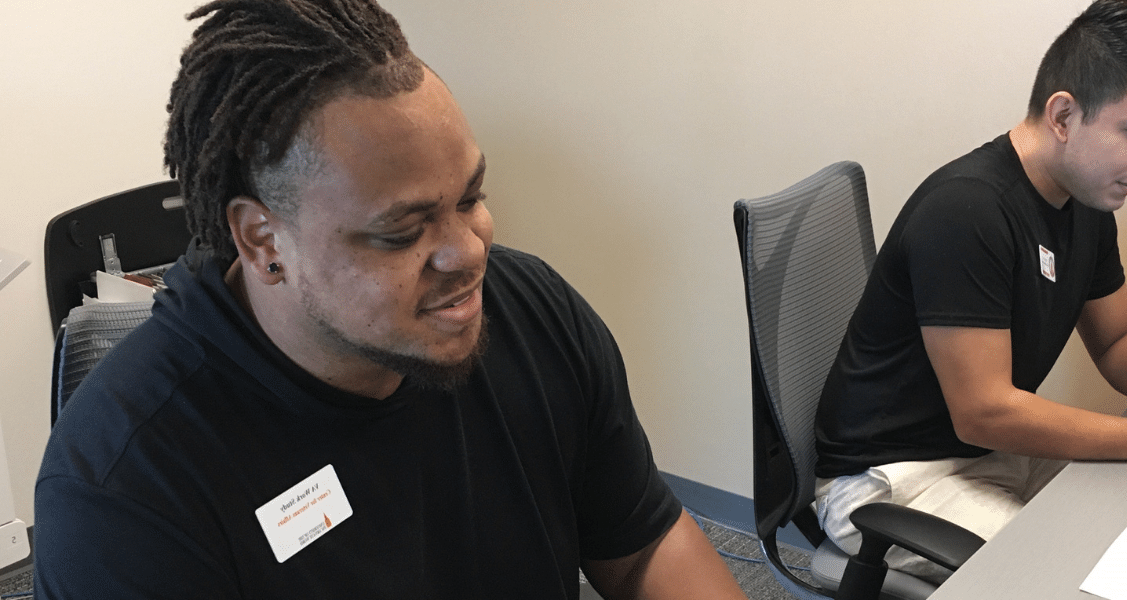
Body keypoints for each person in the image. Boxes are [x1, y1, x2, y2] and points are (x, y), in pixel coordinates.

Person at [32, 1, 745, 598]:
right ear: (262, 240)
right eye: (402, 233)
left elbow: (644, 545)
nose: (469, 252)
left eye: (472, 197)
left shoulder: (532, 311)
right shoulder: (124, 487)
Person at [813, 0, 1127, 581]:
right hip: (892, 484)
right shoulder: (967, 211)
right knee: (1083, 578)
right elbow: (982, 412)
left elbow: (1118, 337)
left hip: (989, 454)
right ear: (1062, 116)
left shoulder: (1086, 199)